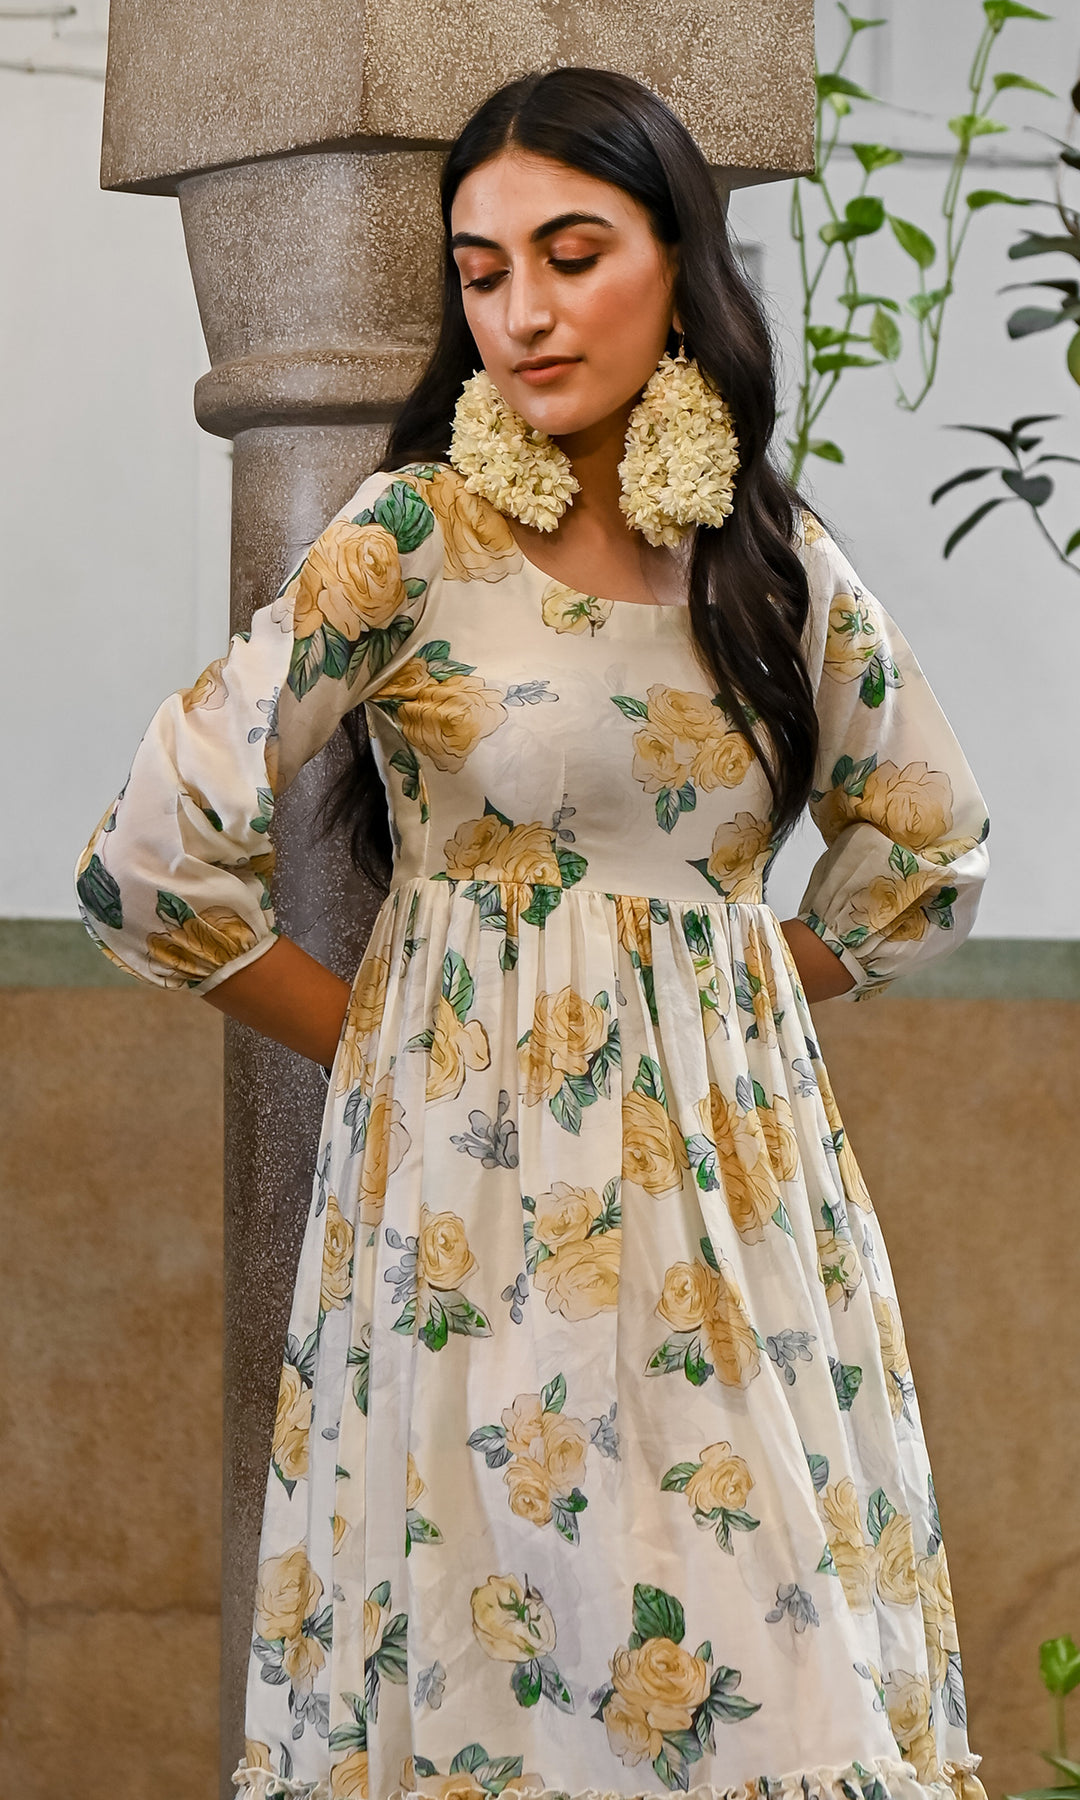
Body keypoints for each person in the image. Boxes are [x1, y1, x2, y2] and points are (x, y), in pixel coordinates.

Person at [75, 66, 991, 1800]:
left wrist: (732, 1008)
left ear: (680, 265)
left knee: (769, 1669)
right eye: (483, 270)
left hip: (734, 1206)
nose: (523, 312)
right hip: (468, 1199)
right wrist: (386, 1049)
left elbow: (931, 853)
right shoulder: (415, 537)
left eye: (573, 255)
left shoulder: (775, 563)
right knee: (498, 1651)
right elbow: (150, 858)